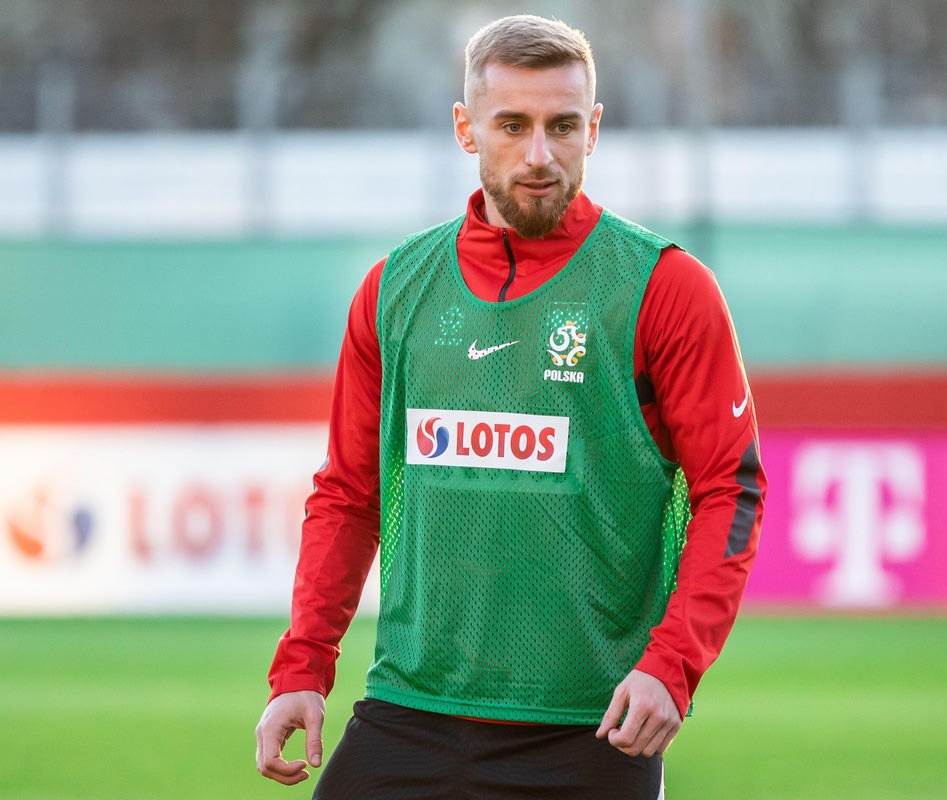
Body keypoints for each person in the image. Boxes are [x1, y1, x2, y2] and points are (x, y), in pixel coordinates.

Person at [255, 14, 766, 799]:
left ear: (593, 129)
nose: (539, 155)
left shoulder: (665, 288)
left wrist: (673, 665)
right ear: (467, 129)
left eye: (562, 126)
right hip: (409, 711)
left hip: (591, 727)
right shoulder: (394, 290)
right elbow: (348, 495)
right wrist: (302, 667)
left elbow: (732, 489)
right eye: (513, 125)